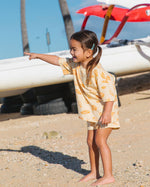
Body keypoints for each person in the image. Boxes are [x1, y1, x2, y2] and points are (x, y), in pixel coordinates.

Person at [25, 30, 120, 186]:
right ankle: (95, 171)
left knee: (100, 141)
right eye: (71, 48)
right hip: (92, 114)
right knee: (90, 142)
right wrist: (39, 55)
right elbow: (58, 60)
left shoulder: (98, 72)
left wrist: (107, 112)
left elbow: (110, 94)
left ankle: (108, 175)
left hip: (104, 113)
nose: (71, 52)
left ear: (88, 52)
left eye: (75, 49)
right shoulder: (75, 66)